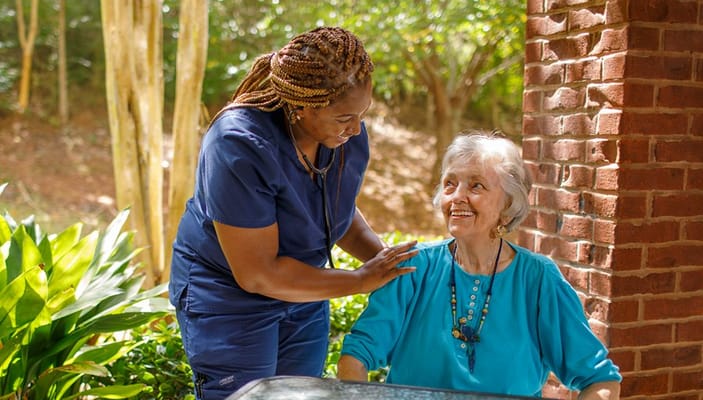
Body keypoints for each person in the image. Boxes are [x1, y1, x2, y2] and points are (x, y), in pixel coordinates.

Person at [168, 27, 418, 400]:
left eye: (362, 114)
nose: (355, 128)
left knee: (298, 394)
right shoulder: (239, 144)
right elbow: (257, 273)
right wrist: (360, 280)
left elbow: (334, 210)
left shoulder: (343, 136)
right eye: (344, 118)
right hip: (230, 297)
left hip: (302, 288)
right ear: (301, 106)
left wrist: (385, 265)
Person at [337, 130, 622, 399]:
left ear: (507, 205)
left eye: (476, 185)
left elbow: (600, 379)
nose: (457, 196)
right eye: (450, 183)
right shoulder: (413, 268)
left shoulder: (538, 280)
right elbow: (356, 355)